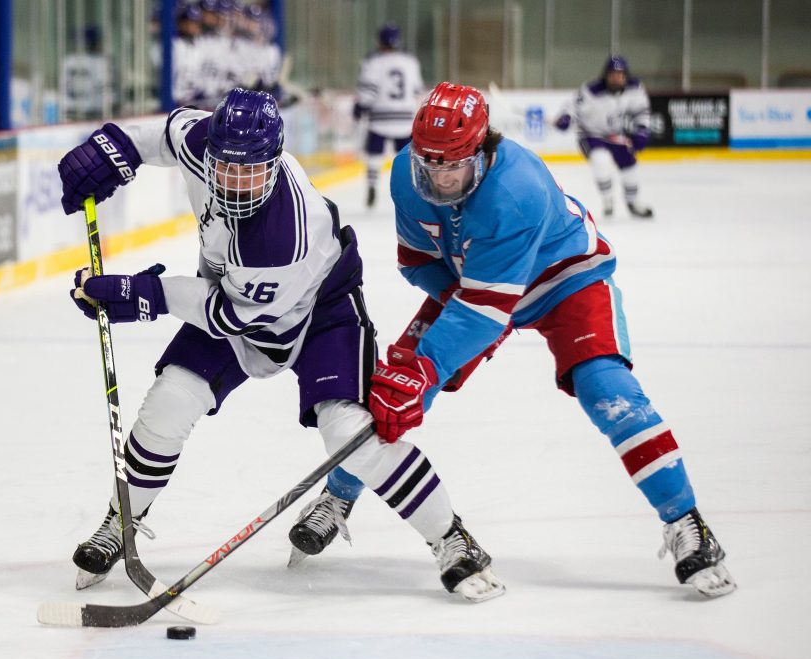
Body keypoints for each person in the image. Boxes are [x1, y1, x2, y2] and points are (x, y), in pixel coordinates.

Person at [56, 88, 505, 603]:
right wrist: (113, 150)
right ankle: (122, 522)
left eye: (252, 171)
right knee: (169, 402)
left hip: (321, 312)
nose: (237, 183)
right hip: (234, 303)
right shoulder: (202, 142)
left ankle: (452, 538)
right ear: (211, 153)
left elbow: (226, 312)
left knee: (351, 432)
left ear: (273, 163)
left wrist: (143, 293)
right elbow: (160, 134)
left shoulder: (283, 232)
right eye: (226, 167)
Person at [289, 82, 736, 599]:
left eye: (453, 164)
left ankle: (687, 522)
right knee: (392, 394)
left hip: (565, 281)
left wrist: (436, 357)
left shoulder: (516, 188)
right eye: (430, 162)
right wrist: (422, 367)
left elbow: (485, 311)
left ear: (483, 150)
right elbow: (419, 264)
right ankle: (338, 496)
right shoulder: (406, 176)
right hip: (477, 286)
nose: (439, 176)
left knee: (606, 390)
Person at [555, 55, 653, 219]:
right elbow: (572, 106)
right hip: (592, 135)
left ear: (626, 76)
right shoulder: (591, 91)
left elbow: (641, 111)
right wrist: (566, 117)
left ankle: (633, 202)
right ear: (605, 75)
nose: (616, 78)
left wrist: (642, 130)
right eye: (612, 75)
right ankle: (608, 199)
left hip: (616, 135)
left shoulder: (635, 88)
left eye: (620, 75)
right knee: (600, 160)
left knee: (630, 165)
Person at [354, 23, 424, 208]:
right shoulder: (410, 61)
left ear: (379, 41)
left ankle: (371, 185)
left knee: (374, 155)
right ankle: (412, 190)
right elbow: (417, 90)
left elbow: (369, 91)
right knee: (407, 158)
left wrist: (360, 107)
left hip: (380, 118)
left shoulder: (373, 62)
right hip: (405, 119)